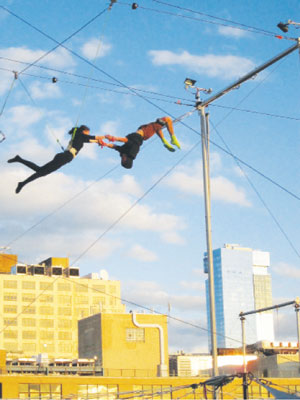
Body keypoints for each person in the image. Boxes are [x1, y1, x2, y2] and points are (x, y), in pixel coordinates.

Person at [8, 125, 104, 193]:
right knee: (41, 172)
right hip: (65, 157)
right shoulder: (79, 134)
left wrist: (98, 141)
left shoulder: (79, 137)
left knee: (39, 170)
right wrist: (106, 137)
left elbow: (91, 139)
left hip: (63, 157)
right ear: (84, 131)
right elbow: (92, 137)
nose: (88, 134)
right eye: (88, 132)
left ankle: (19, 161)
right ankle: (22, 182)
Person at [102, 116, 180, 169]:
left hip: (143, 132)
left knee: (156, 127)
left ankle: (164, 141)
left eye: (122, 161)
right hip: (144, 133)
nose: (122, 159)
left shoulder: (123, 152)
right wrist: (113, 138)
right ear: (127, 160)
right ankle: (173, 138)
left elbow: (115, 147)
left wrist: (105, 144)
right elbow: (126, 140)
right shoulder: (131, 152)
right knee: (167, 119)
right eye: (123, 161)